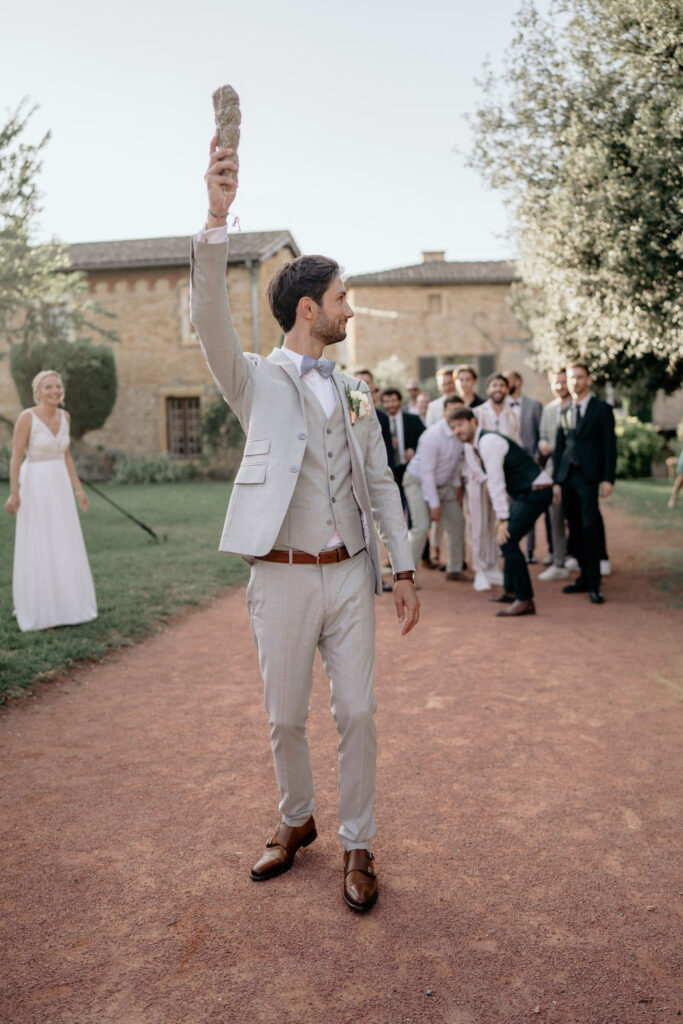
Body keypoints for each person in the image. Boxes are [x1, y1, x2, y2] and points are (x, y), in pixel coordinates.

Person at [190, 137, 419, 913]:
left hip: (350, 571)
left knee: (357, 710)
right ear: (309, 308)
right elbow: (211, 318)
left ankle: (359, 839)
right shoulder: (254, 380)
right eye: (344, 296)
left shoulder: (354, 391)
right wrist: (216, 221)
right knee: (284, 715)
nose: (352, 307)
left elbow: (381, 480)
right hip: (280, 572)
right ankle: (298, 821)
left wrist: (405, 566)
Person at [4, 370, 97, 632]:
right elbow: (16, 456)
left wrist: (79, 491)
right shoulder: (27, 417)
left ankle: (69, 606)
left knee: (64, 541)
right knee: (39, 541)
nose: (54, 391)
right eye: (48, 387)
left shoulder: (65, 417)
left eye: (57, 386)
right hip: (35, 485)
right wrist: (14, 491)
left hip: (60, 488)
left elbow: (66, 457)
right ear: (37, 392)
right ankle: (40, 609)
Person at [451, 408, 553, 617]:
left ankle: (525, 600)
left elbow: (496, 482)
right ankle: (510, 590)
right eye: (453, 427)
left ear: (473, 421)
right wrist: (502, 517)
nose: (457, 430)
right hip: (527, 492)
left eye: (460, 424)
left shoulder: (488, 442)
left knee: (507, 539)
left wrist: (503, 518)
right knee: (504, 538)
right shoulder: (476, 445)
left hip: (537, 491)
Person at [552, 363, 616, 604]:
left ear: (588, 380)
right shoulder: (565, 410)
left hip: (589, 477)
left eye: (580, 377)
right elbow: (560, 447)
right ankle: (583, 578)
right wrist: (557, 481)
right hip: (567, 477)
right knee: (575, 528)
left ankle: (595, 584)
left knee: (590, 526)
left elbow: (610, 446)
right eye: (571, 378)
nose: (575, 382)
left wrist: (608, 478)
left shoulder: (601, 409)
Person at [403, 404, 465, 583]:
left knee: (458, 522)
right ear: (444, 412)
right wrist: (434, 505)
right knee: (421, 528)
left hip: (443, 482)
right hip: (417, 480)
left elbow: (453, 464)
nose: (454, 417)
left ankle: (454, 569)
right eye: (451, 411)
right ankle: (407, 577)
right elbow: (427, 472)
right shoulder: (432, 435)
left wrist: (456, 486)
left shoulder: (460, 433)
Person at [504, 370, 543, 563]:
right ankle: (512, 549)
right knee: (511, 508)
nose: (504, 384)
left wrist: (537, 458)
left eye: (508, 380)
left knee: (529, 508)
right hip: (508, 465)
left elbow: (539, 433)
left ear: (517, 382)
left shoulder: (534, 405)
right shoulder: (499, 406)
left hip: (529, 464)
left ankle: (530, 550)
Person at [537, 368, 572, 581]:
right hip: (553, 471)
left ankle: (578, 557)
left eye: (563, 382)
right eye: (556, 383)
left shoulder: (578, 408)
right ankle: (559, 561)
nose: (560, 386)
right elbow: (541, 437)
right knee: (555, 517)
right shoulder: (548, 410)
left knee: (578, 518)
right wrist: (544, 446)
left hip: (575, 472)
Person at [380, 387, 425, 492]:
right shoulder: (379, 421)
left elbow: (425, 438)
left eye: (393, 401)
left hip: (410, 468)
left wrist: (414, 449)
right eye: (386, 402)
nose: (390, 404)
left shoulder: (413, 419)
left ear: (399, 401)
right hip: (389, 471)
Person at [356, 369, 394, 471]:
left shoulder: (383, 417)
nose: (362, 386)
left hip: (377, 469)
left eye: (367, 382)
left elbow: (387, 448)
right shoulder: (345, 414)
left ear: (373, 386)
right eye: (358, 382)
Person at [475, 373, 520, 440]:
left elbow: (516, 440)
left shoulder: (513, 415)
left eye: (502, 385)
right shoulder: (477, 413)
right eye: (494, 385)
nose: (498, 389)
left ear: (507, 390)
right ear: (487, 390)